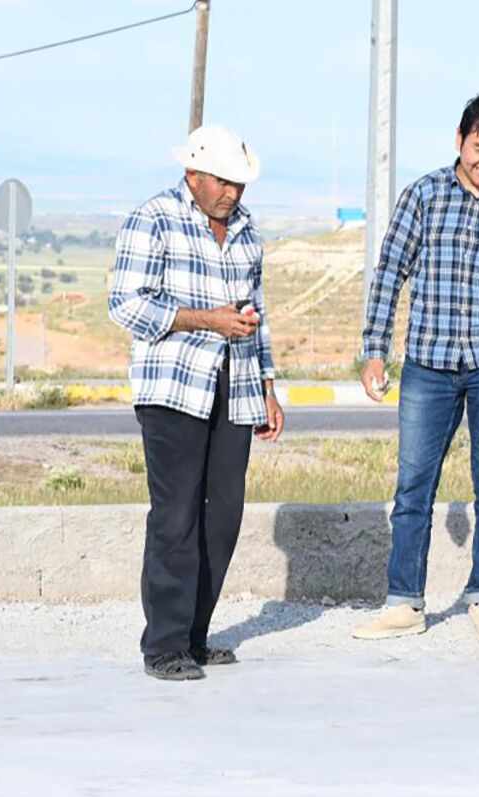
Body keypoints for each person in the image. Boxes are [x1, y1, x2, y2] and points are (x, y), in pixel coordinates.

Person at [352, 94, 479, 644]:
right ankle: (404, 601)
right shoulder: (423, 195)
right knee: (413, 484)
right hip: (429, 363)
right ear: (459, 140)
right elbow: (390, 271)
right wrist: (376, 349)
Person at [108, 124, 284, 681]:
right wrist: (204, 320)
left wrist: (267, 387)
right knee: (176, 516)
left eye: (240, 183)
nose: (232, 193)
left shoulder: (248, 232)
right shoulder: (153, 218)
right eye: (223, 181)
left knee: (223, 518)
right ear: (193, 174)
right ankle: (162, 645)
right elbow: (124, 305)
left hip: (235, 386)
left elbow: (256, 316)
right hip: (174, 387)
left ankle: (195, 637)